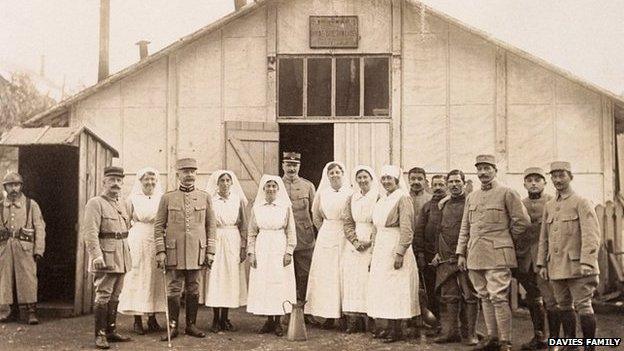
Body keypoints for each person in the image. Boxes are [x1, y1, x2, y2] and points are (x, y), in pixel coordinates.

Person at [456, 155, 530, 351]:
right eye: (479, 169)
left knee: (498, 297)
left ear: (495, 170)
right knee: (484, 296)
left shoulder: (507, 192)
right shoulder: (472, 196)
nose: (483, 173)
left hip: (498, 254)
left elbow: (522, 221)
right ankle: (492, 338)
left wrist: (505, 239)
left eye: (487, 168)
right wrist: (461, 253)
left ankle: (505, 341)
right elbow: (466, 227)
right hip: (475, 255)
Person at [537, 161, 601, 351]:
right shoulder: (549, 205)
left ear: (570, 177)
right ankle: (570, 345)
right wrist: (542, 264)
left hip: (578, 266)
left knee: (583, 305)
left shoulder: (581, 202)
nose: (557, 180)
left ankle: (590, 347)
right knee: (563, 305)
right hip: (556, 266)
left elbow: (592, 234)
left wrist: (588, 262)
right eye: (554, 176)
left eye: (561, 175)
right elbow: (544, 237)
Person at [154, 158, 216, 341]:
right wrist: (161, 251)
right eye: (185, 171)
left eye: (192, 171)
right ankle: (173, 326)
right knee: (173, 289)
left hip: (197, 252)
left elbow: (211, 226)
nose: (189, 175)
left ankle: (191, 325)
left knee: (194, 288)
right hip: (173, 251)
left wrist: (210, 251)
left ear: (196, 174)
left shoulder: (205, 197)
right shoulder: (167, 198)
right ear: (177, 174)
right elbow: (158, 227)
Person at [367, 165, 420, 343]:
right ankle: (388, 326)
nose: (386, 182)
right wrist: (373, 253)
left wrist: (400, 253)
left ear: (397, 180)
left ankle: (397, 329)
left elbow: (407, 229)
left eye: (390, 178)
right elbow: (375, 229)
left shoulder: (403, 198)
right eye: (384, 179)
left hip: (395, 247)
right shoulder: (382, 200)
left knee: (396, 288)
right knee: (384, 289)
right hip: (382, 247)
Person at [82, 166, 132, 349]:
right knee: (103, 294)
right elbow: (90, 232)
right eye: (112, 181)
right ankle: (100, 334)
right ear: (104, 182)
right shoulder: (95, 203)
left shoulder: (123, 204)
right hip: (105, 256)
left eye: (119, 181)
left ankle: (111, 331)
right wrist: (96, 255)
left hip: (122, 255)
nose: (116, 184)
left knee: (116, 295)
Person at [432, 170, 479, 346]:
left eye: (457, 181)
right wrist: (438, 252)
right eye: (450, 182)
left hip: (465, 255)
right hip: (445, 256)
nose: (454, 185)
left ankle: (471, 333)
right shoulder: (444, 204)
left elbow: (472, 230)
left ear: (464, 183)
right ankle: (452, 332)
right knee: (449, 295)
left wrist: (465, 253)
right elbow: (440, 229)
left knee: (470, 294)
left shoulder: (471, 201)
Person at [246, 175, 297, 337]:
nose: (271, 189)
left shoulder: (285, 208)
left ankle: (278, 321)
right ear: (263, 189)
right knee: (264, 283)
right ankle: (269, 320)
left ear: (278, 189)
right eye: (268, 186)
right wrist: (251, 252)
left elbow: (291, 231)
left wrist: (289, 251)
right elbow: (252, 233)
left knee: (279, 282)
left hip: (279, 246)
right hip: (262, 247)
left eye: (274, 186)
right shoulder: (257, 208)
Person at [117, 167, 166, 335]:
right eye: (146, 179)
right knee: (137, 276)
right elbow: (126, 221)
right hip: (138, 238)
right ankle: (137, 319)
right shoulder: (132, 199)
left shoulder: (161, 198)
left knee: (154, 277)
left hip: (156, 239)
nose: (150, 183)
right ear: (140, 181)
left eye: (153, 180)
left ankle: (152, 318)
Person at [515, 167, 559, 350]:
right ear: (524, 183)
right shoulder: (519, 203)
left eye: (537, 180)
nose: (533, 183)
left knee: (552, 299)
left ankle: (555, 340)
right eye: (529, 180)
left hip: (546, 260)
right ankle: (539, 336)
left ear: (544, 183)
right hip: (524, 260)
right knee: (533, 298)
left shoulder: (553, 201)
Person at [305, 161, 352, 329]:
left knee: (343, 273)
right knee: (326, 275)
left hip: (344, 234)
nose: (334, 175)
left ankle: (346, 315)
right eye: (331, 173)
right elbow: (316, 215)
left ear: (342, 173)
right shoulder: (323, 193)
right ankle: (328, 315)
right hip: (327, 234)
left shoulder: (350, 192)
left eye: (337, 172)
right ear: (327, 176)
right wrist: (325, 229)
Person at [204, 170, 248, 333]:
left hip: (232, 239)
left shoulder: (238, 200)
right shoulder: (211, 200)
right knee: (216, 277)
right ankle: (215, 318)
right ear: (217, 183)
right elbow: (206, 223)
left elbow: (243, 224)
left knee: (230, 277)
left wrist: (243, 247)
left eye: (228, 180)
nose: (224, 183)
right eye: (221, 180)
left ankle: (225, 318)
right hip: (216, 238)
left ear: (232, 183)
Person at [0, 172, 46, 325]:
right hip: (5, 247)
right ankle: (7, 311)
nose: (14, 188)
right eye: (10, 185)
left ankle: (30, 312)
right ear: (5, 187)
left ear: (21, 186)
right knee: (5, 279)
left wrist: (39, 249)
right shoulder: (0, 205)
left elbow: (40, 227)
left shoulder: (30, 204)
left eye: (17, 184)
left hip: (25, 247)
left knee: (28, 278)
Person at [341, 165, 379, 333]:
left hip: (373, 242)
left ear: (371, 179)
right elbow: (348, 222)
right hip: (354, 245)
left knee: (369, 281)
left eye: (366, 177)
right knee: (353, 281)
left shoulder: (378, 197)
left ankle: (371, 320)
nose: (362, 181)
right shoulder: (352, 198)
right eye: (359, 178)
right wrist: (355, 241)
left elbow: (380, 222)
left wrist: (370, 241)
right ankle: (353, 321)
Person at [281, 152, 316, 324]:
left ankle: (304, 311)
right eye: (288, 164)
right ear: (283, 166)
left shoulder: (308, 186)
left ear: (299, 166)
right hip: (283, 239)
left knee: (305, 275)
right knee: (285, 274)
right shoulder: (276, 185)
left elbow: (315, 213)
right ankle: (285, 311)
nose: (292, 168)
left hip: (304, 237)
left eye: (295, 165)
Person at [413, 174, 446, 334]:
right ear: (430, 186)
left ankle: (456, 326)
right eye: (435, 184)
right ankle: (437, 323)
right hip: (428, 256)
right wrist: (420, 253)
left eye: (441, 184)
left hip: (448, 256)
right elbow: (419, 231)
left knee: (451, 292)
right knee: (431, 291)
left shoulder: (451, 204)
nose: (438, 187)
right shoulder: (427, 207)